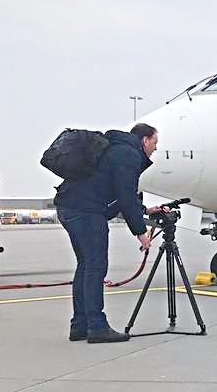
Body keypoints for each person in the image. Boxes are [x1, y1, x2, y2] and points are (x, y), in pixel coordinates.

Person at [54, 124, 161, 344]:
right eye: (155, 143)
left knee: (86, 265)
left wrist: (144, 211)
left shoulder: (114, 148)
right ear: (145, 141)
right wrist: (141, 232)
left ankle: (80, 325)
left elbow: (112, 190)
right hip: (86, 212)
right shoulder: (128, 155)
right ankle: (97, 326)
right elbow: (125, 195)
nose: (155, 148)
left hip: (69, 207)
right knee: (95, 266)